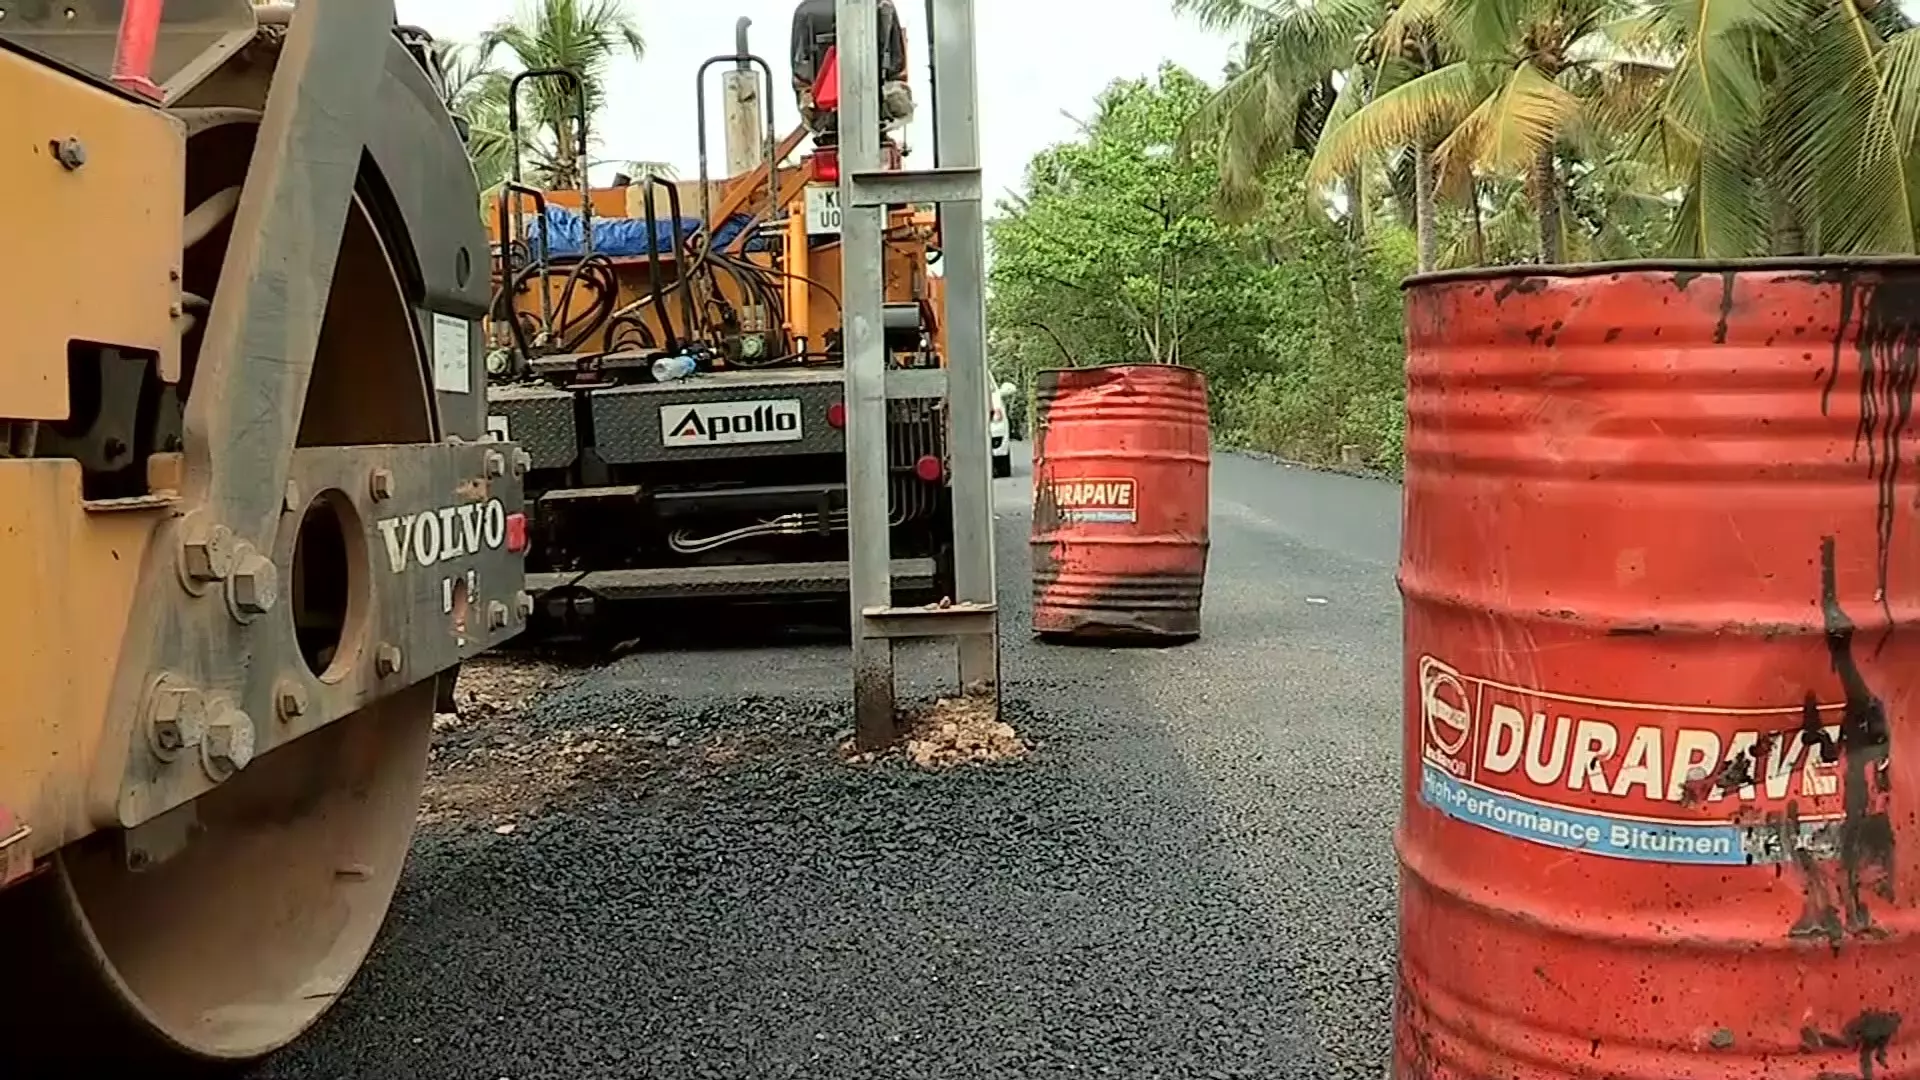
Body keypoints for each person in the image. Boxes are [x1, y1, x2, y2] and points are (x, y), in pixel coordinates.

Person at [789, 0, 914, 138]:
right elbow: (896, 64)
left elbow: (800, 69)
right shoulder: (882, 6)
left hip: (826, 117)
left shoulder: (806, 10)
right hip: (874, 114)